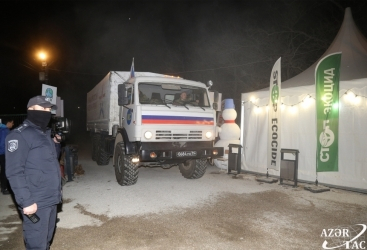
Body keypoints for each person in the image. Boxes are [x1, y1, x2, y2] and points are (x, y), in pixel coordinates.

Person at [5, 95, 62, 250]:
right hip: (35, 200)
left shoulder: (44, 134)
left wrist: (55, 143)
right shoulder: (19, 135)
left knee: (47, 239)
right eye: (42, 108)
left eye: (48, 109)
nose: (46, 111)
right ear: (30, 110)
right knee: (36, 244)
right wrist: (26, 201)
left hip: (50, 197)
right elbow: (14, 172)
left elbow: (49, 161)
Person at [0, 118, 14, 195]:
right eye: (12, 123)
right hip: (3, 153)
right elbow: (3, 144)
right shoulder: (5, 131)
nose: (12, 125)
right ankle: (4, 188)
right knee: (5, 171)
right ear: (8, 122)